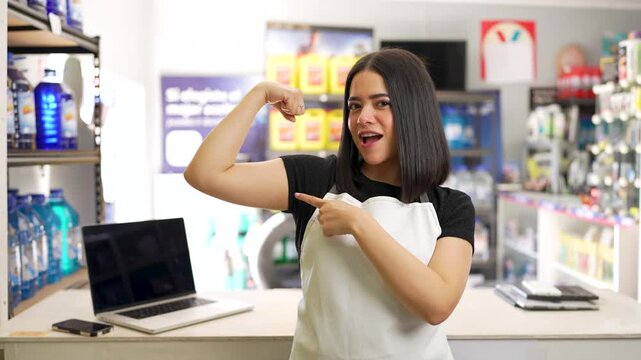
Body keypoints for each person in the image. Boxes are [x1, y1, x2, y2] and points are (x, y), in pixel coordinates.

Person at [184, 48, 475, 359]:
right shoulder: (316, 178)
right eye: (354, 105)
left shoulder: (451, 207)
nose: (363, 118)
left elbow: (436, 305)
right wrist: (259, 94)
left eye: (382, 104)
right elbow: (205, 174)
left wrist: (359, 224)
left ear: (414, 111)